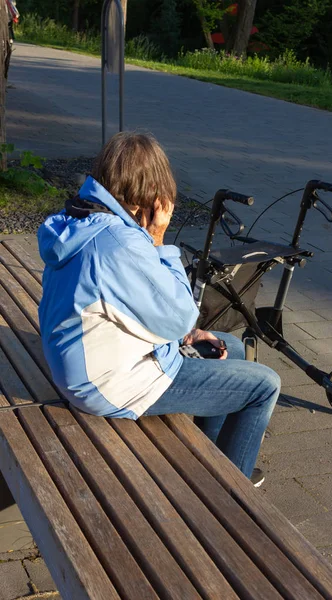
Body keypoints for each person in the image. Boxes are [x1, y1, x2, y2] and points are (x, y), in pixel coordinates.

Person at [38, 132, 280, 486]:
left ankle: (212, 462)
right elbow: (182, 313)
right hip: (108, 384)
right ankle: (233, 494)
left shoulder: (84, 217)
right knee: (264, 385)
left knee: (233, 348)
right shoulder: (120, 242)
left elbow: (129, 302)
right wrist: (158, 240)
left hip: (83, 363)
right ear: (149, 199)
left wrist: (184, 334)